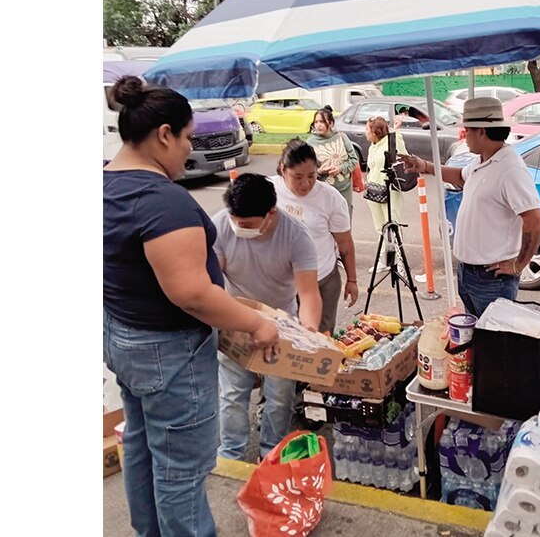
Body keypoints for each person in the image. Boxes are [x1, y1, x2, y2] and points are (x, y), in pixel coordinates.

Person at [103, 76, 279, 537]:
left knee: (142, 448)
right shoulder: (162, 200)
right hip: (169, 353)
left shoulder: (105, 183)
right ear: (164, 134)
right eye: (186, 138)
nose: (187, 149)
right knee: (182, 470)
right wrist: (256, 324)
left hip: (125, 337)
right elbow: (191, 293)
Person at [399, 97, 540, 318]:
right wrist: (425, 166)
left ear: (482, 132)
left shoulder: (510, 168)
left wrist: (518, 264)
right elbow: (460, 176)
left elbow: (535, 220)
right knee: (475, 339)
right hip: (469, 272)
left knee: (492, 343)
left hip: (491, 279)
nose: (464, 136)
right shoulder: (482, 160)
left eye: (467, 130)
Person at [212, 173, 322, 461]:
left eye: (246, 225)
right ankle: (230, 456)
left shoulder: (296, 235)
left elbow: (308, 294)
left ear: (270, 214)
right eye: (235, 220)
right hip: (235, 319)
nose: (238, 227)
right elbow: (211, 282)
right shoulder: (219, 226)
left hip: (281, 324)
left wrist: (308, 333)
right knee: (233, 395)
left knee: (279, 398)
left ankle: (271, 455)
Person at [273, 139, 359, 333]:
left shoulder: (330, 197)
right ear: (283, 169)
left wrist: (352, 280)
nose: (305, 184)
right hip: (281, 285)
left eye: (311, 176)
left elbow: (344, 243)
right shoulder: (268, 191)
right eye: (298, 177)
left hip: (322, 280)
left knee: (320, 341)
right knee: (284, 342)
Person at [363, 116, 411, 274]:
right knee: (380, 228)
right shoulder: (373, 146)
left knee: (393, 226)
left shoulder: (391, 143)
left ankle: (401, 263)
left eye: (367, 129)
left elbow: (403, 156)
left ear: (375, 132)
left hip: (389, 192)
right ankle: (385, 261)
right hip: (374, 192)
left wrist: (397, 131)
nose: (365, 132)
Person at [307, 107, 360, 218]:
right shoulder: (310, 143)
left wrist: (340, 168)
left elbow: (354, 160)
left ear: (331, 123)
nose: (318, 125)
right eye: (316, 122)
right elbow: (306, 171)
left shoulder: (342, 137)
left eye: (321, 121)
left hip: (344, 190)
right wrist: (320, 171)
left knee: (344, 223)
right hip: (323, 192)